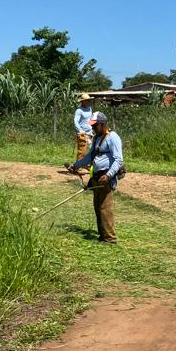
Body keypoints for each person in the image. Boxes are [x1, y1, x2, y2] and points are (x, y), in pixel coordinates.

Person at [65, 112, 123, 243]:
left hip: (105, 177)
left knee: (105, 207)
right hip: (97, 177)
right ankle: (102, 234)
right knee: (97, 206)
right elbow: (89, 156)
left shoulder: (113, 137)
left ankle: (109, 238)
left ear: (102, 124)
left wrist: (108, 175)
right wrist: (76, 166)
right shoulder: (97, 138)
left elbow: (118, 160)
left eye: (95, 125)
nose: (93, 128)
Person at [73, 93, 95, 161]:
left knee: (92, 150)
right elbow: (76, 121)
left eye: (89, 100)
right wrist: (80, 130)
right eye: (87, 100)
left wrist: (93, 127)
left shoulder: (90, 109)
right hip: (83, 134)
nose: (88, 102)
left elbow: (90, 119)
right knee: (82, 151)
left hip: (90, 133)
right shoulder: (79, 110)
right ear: (82, 101)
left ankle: (89, 165)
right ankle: (77, 167)